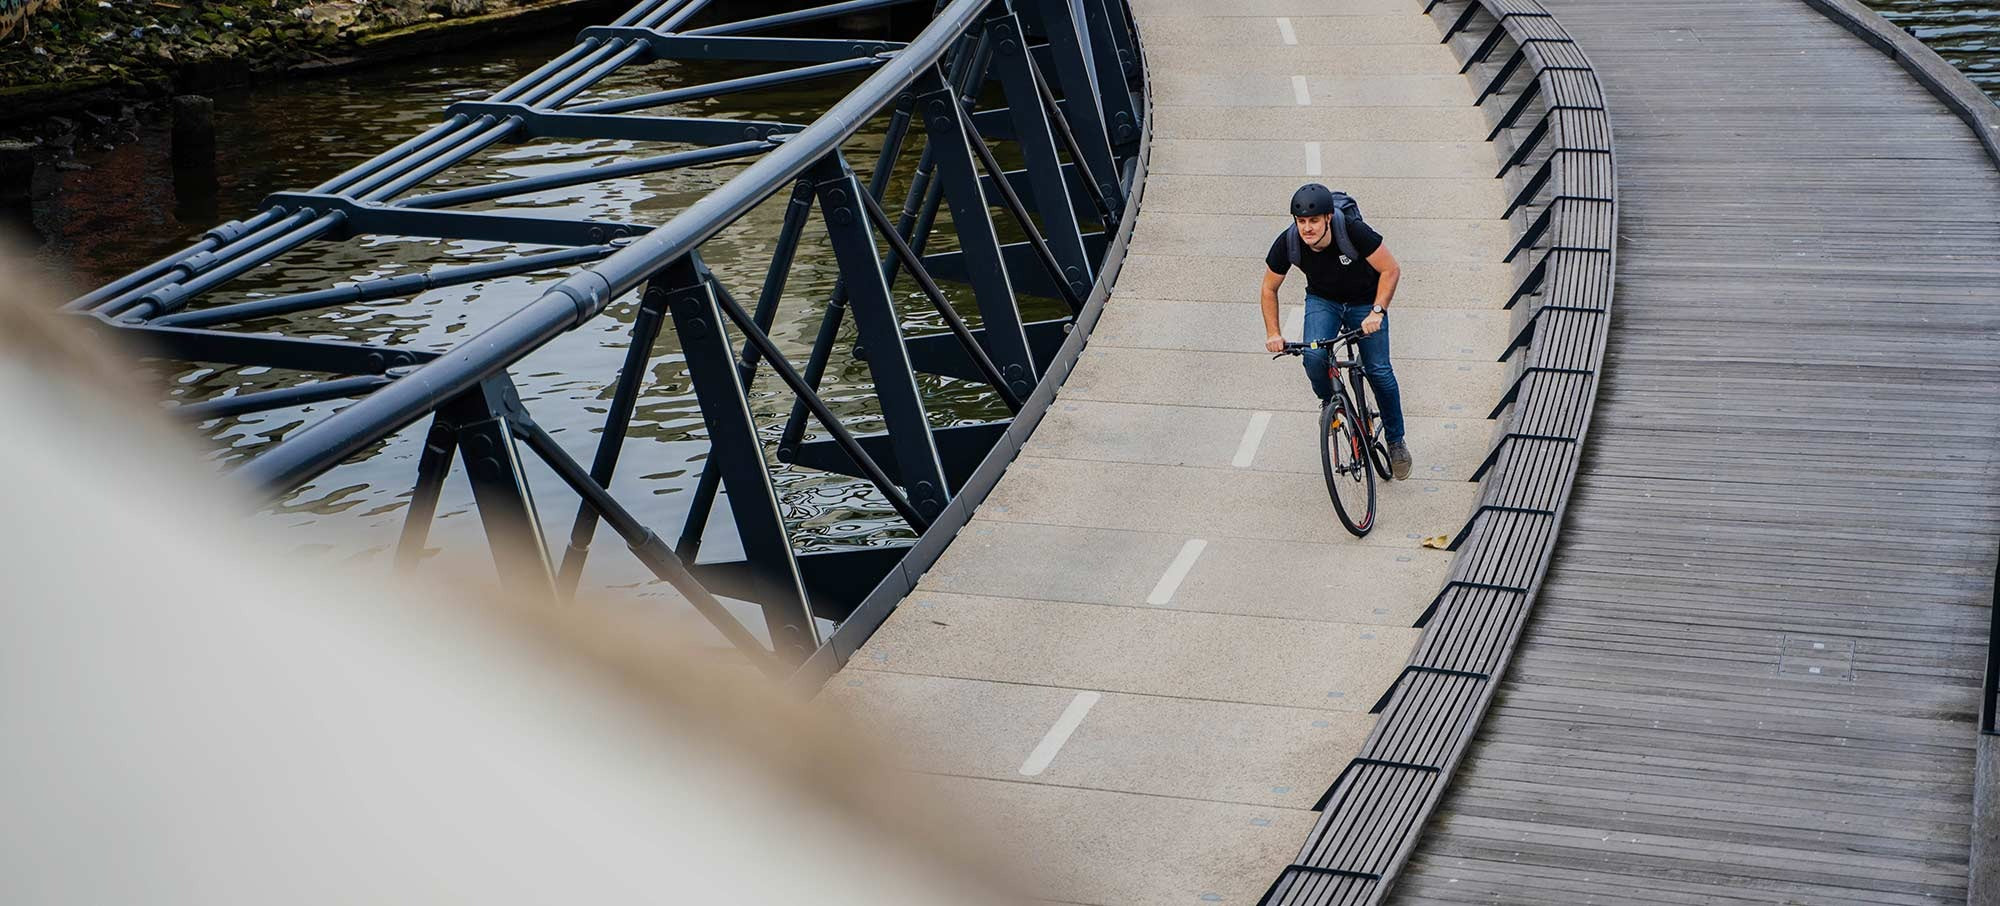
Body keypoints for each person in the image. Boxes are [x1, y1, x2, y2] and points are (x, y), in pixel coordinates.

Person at [1260, 183, 1411, 480]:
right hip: (1324, 300)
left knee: (1379, 370)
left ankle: (1396, 441)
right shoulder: (1289, 241)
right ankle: (1331, 404)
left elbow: (1390, 269)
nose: (1307, 228)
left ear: (1328, 218)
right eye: (1301, 222)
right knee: (1314, 356)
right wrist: (1273, 333)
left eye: (1314, 221)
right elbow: (1268, 287)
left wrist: (1377, 312)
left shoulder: (1352, 231)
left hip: (1365, 302)